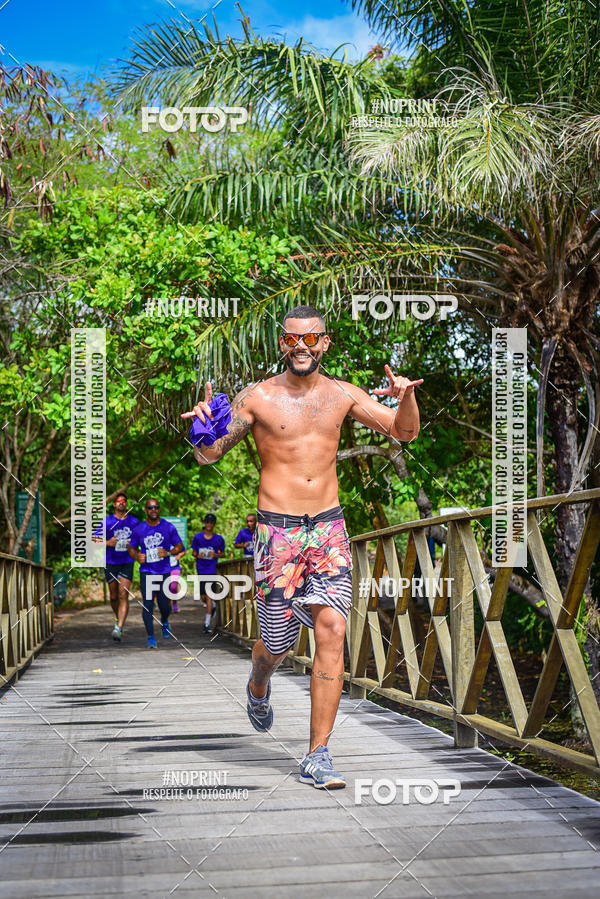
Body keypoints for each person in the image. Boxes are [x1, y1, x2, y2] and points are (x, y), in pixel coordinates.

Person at [182, 304, 422, 789]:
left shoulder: (342, 394)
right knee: (277, 644)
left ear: (324, 343)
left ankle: (318, 754)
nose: (301, 347)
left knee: (332, 628)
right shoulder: (258, 397)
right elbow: (209, 455)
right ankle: (259, 681)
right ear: (282, 343)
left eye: (311, 339)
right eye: (293, 338)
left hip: (328, 530)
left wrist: (406, 398)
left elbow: (404, 432)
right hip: (277, 534)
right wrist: (202, 428)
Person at [128, 499, 183, 649]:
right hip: (147, 572)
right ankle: (151, 637)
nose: (153, 510)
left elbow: (179, 546)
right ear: (146, 510)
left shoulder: (168, 527)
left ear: (159, 509)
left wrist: (168, 552)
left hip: (164, 571)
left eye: (156, 507)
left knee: (164, 606)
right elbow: (131, 548)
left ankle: (164, 620)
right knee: (148, 604)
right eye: (150, 507)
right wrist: (137, 557)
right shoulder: (139, 529)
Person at [93, 493, 139, 642]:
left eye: (124, 501)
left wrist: (134, 546)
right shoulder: (107, 521)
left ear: (127, 504)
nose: (121, 503)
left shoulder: (134, 522)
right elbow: (94, 539)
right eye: (118, 501)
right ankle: (118, 617)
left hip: (127, 561)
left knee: (123, 594)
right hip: (111, 562)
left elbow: (141, 538)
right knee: (113, 597)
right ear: (114, 504)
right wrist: (107, 543)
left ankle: (118, 627)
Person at [191, 514, 225, 634]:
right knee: (203, 597)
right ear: (204, 523)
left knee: (209, 595)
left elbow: (223, 554)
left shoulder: (218, 539)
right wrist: (197, 555)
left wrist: (215, 555)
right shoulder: (198, 537)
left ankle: (207, 623)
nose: (209, 524)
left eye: (211, 522)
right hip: (201, 569)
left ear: (214, 524)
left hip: (212, 570)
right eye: (207, 522)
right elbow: (193, 552)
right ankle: (214, 606)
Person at [168, 546, 187, 613]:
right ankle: (168, 606)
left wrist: (179, 555)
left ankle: (174, 604)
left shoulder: (176, 542)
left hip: (175, 568)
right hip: (164, 568)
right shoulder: (162, 541)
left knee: (173, 587)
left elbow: (184, 550)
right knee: (166, 587)